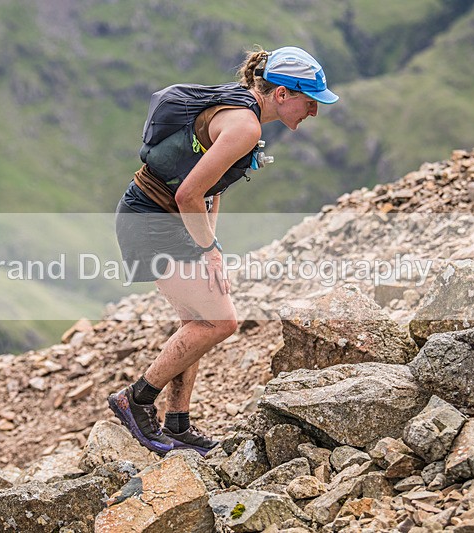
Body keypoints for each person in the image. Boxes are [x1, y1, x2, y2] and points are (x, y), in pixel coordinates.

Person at [108, 46, 338, 456]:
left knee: (197, 320)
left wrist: (209, 245)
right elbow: (188, 193)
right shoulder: (245, 127)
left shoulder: (241, 112)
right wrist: (210, 250)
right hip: (154, 219)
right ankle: (136, 400)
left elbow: (212, 189)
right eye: (310, 101)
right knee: (221, 322)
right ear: (282, 94)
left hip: (159, 217)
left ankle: (177, 424)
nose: (314, 112)